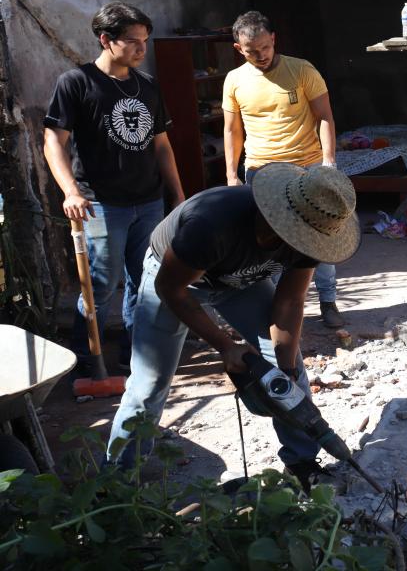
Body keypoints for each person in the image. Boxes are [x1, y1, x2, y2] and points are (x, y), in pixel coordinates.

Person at [106, 163, 361, 488]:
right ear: (276, 219)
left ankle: (302, 462)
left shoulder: (315, 231)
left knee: (290, 371)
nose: (302, 245)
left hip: (242, 279)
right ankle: (116, 481)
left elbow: (290, 301)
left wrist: (284, 371)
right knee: (149, 382)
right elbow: (170, 288)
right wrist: (225, 345)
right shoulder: (212, 224)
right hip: (176, 278)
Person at [43, 2, 184, 370]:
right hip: (101, 204)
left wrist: (177, 193)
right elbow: (53, 141)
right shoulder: (76, 83)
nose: (141, 49)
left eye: (145, 41)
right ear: (106, 40)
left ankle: (137, 356)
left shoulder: (148, 86)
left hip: (149, 200)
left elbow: (162, 144)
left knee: (145, 282)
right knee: (101, 285)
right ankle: (86, 362)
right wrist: (70, 191)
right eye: (133, 41)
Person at [222, 10, 345, 329]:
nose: (261, 55)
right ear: (239, 49)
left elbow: (324, 117)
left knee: (318, 237)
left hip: (306, 166)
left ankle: (328, 302)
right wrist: (231, 175)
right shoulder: (234, 81)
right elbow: (232, 131)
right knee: (268, 243)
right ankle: (274, 309)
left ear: (273, 39)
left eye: (265, 47)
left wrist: (328, 162)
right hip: (260, 172)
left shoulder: (302, 70)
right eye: (252, 51)